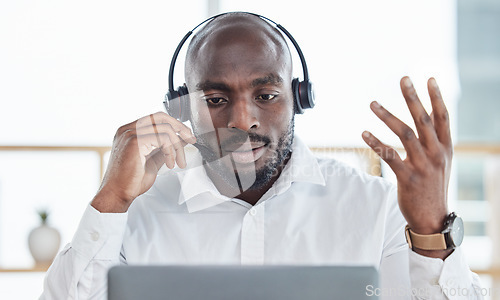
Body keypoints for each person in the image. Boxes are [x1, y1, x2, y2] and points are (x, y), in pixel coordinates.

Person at [41, 12, 483, 299]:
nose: (243, 119)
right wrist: (111, 201)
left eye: (266, 94)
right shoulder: (135, 213)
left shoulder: (376, 207)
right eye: (215, 99)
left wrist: (430, 232)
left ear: (298, 98)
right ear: (182, 108)